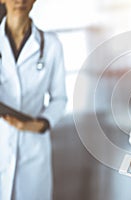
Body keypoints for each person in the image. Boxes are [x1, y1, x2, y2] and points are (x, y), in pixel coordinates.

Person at [0, 0, 67, 199]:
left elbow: (60, 98)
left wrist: (37, 125)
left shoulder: (51, 45)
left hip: (33, 148)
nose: (20, 1)